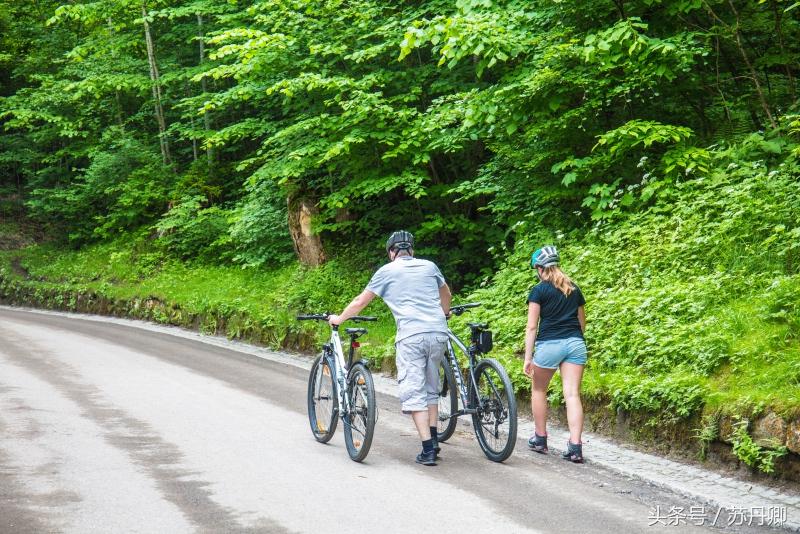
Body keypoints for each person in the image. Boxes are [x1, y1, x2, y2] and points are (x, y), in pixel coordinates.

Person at [328, 230, 452, 466]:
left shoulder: (386, 271)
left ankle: (428, 450)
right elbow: (446, 292)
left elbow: (360, 302)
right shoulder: (429, 266)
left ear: (391, 252)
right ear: (411, 250)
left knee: (413, 389)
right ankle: (434, 440)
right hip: (438, 332)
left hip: (411, 336)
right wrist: (444, 314)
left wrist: (339, 319)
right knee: (431, 385)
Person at [523, 245, 587, 463]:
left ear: (540, 268)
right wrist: (574, 340)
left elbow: (532, 327)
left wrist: (528, 357)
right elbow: (581, 323)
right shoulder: (574, 289)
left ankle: (540, 438)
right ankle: (575, 446)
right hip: (576, 344)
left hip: (550, 344)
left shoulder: (539, 291)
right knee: (572, 394)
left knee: (539, 389)